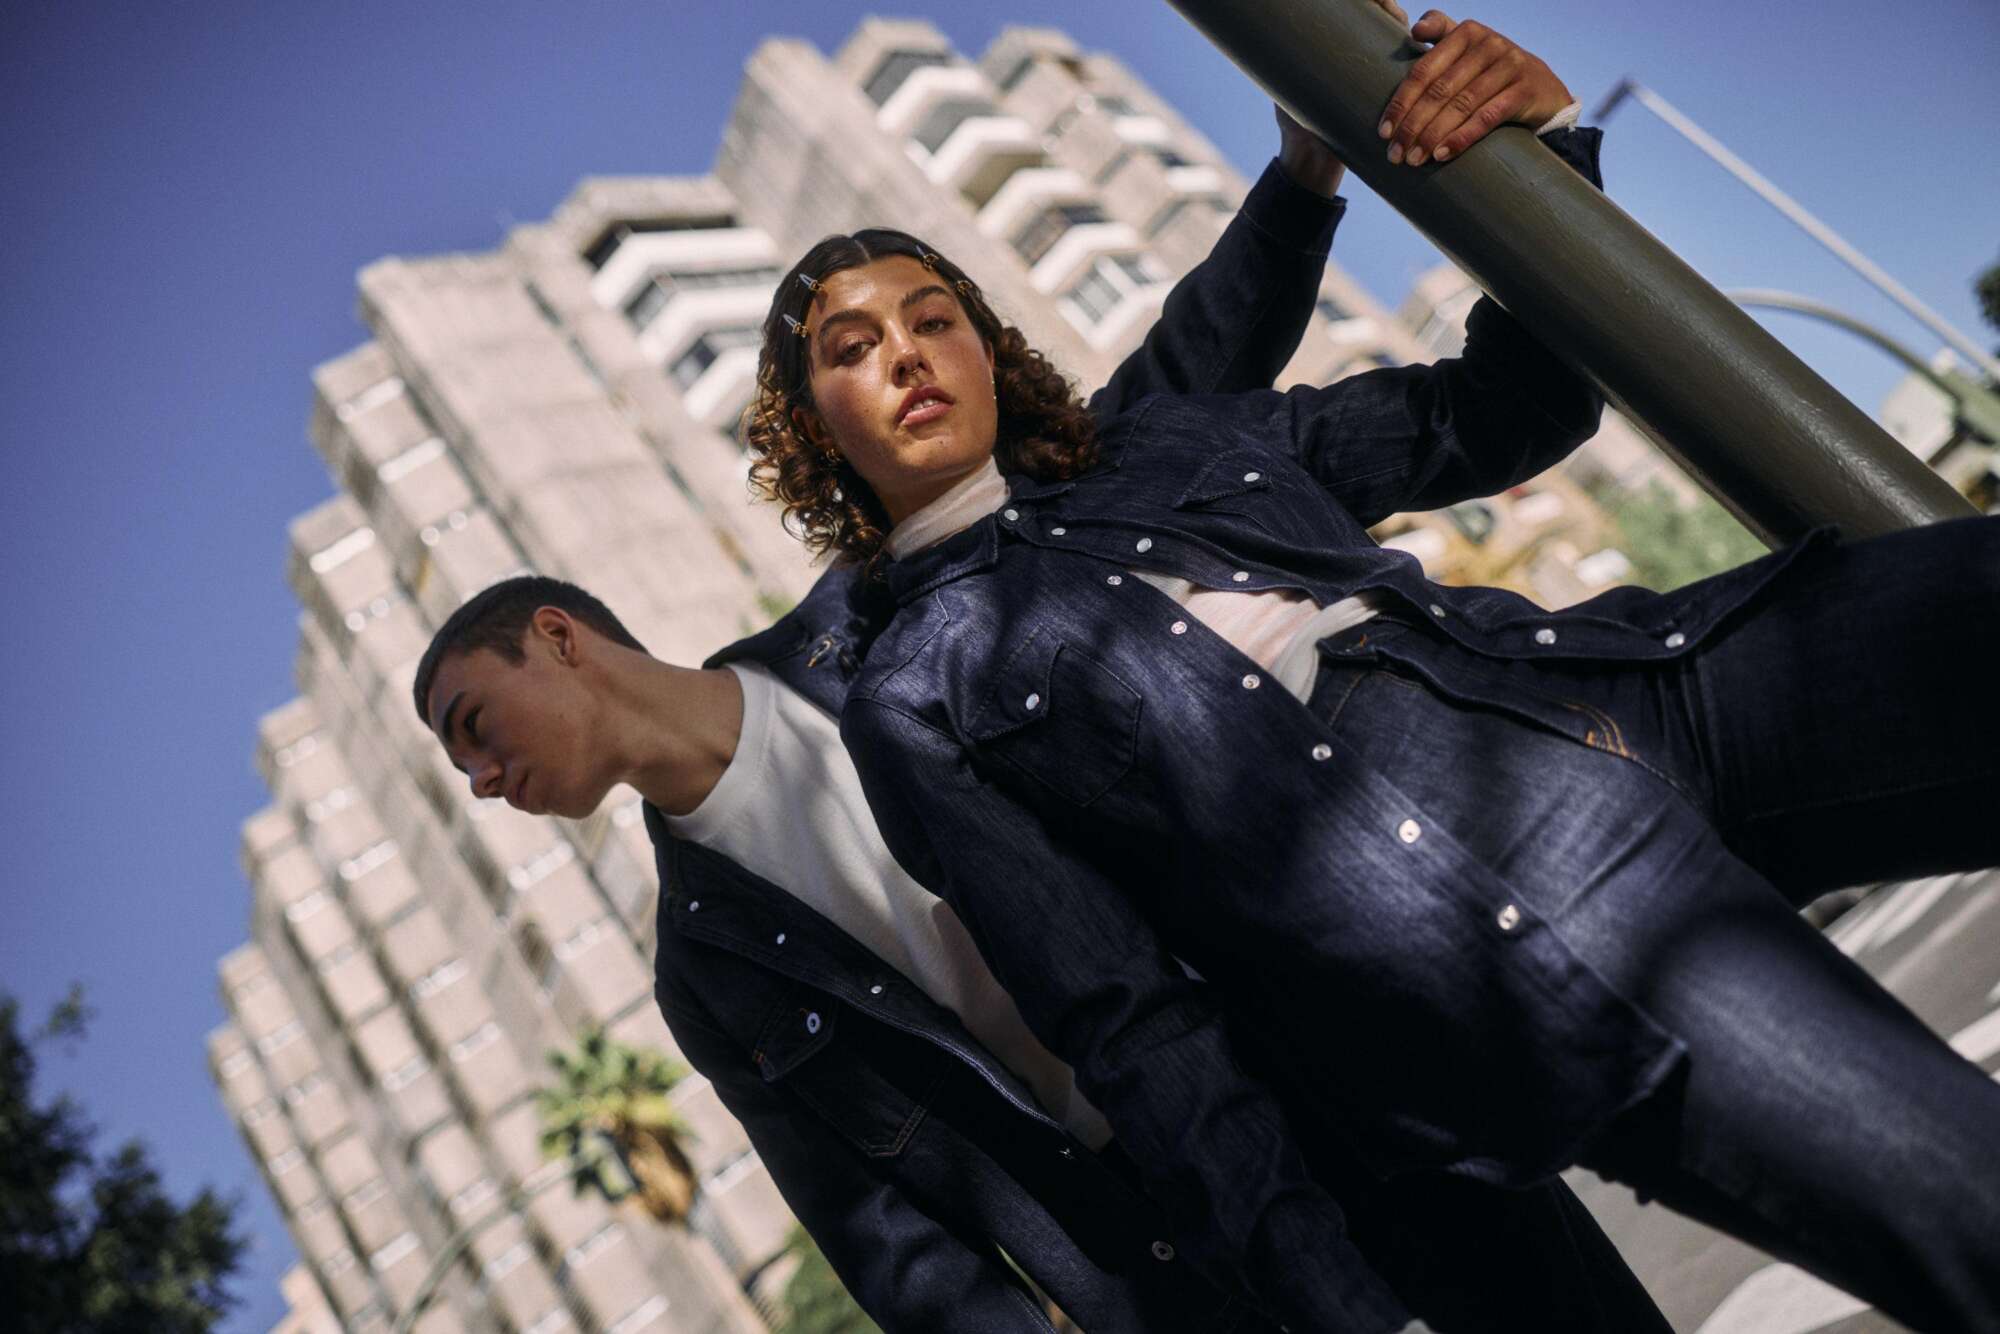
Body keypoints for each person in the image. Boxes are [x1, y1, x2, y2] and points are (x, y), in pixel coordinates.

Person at [413, 17, 1679, 1331]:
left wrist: (1304, 182)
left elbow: (1146, 412)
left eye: (474, 725)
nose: (484, 778)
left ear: (557, 637)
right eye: (465, 765)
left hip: (1338, 1089)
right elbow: (902, 1250)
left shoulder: (900, 606)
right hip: (1184, 1268)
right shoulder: (708, 968)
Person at [753, 9, 2000, 1333]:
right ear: (817, 429)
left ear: (985, 348)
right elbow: (1133, 1021)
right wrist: (1338, 1306)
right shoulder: (914, 697)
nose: (902, 351)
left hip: (1638, 682)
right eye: (850, 347)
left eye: (932, 315)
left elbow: (1503, 408)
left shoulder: (1166, 438)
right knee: (1966, 1196)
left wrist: (1548, 147)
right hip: (1515, 904)